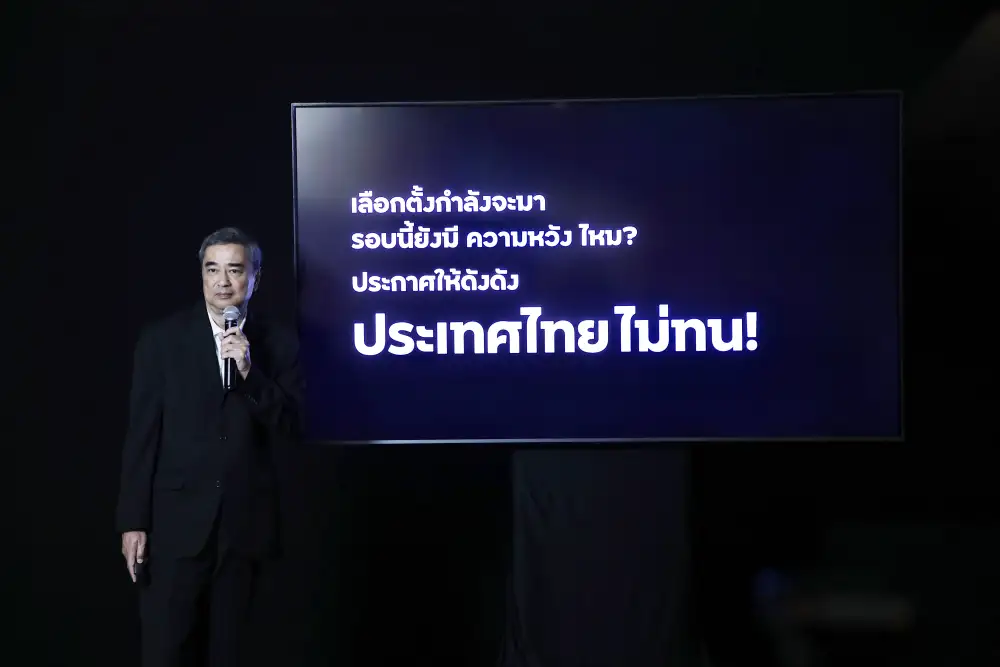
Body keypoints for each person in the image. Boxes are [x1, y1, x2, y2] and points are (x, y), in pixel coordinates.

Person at [116, 227, 304, 667]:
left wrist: (251, 376)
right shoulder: (162, 340)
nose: (222, 282)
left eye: (235, 270)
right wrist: (132, 522)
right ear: (201, 274)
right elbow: (141, 436)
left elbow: (295, 426)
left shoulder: (279, 343)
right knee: (166, 652)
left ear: (255, 277)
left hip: (245, 530)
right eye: (212, 269)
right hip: (174, 529)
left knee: (232, 653)